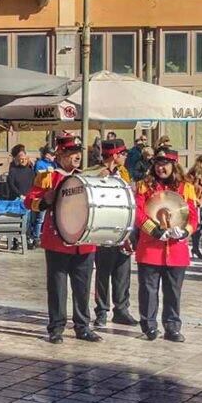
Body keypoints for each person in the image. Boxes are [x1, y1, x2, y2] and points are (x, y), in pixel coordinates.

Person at [25, 133, 103, 344]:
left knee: (82, 286)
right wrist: (43, 201)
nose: (77, 157)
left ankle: (82, 326)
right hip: (57, 240)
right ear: (60, 154)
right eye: (71, 153)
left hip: (83, 241)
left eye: (78, 153)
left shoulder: (86, 177)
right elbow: (29, 202)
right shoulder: (47, 177)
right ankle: (56, 327)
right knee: (57, 287)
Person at [134, 147, 197, 343]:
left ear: (173, 165)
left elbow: (193, 216)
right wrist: (154, 230)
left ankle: (172, 327)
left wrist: (185, 231)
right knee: (148, 290)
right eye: (158, 164)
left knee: (173, 291)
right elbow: (138, 213)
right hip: (151, 247)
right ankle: (149, 326)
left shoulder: (186, 187)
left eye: (165, 164)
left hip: (176, 250)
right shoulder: (144, 186)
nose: (161, 168)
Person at [88, 139, 139, 328]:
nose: (126, 157)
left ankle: (121, 310)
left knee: (122, 272)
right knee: (103, 273)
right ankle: (101, 311)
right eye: (123, 154)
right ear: (115, 155)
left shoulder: (124, 173)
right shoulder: (95, 173)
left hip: (122, 228)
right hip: (103, 228)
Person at [6, 144, 37, 249]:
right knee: (16, 220)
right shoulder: (13, 171)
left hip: (28, 199)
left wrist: (30, 196)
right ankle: (15, 241)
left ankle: (27, 239)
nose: (23, 160)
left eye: (25, 159)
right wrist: (19, 195)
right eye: (21, 159)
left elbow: (34, 185)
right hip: (16, 199)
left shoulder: (31, 172)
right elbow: (11, 184)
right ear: (18, 159)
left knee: (28, 221)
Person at [185, 155, 202, 259]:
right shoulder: (191, 176)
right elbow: (187, 189)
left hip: (198, 205)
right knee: (188, 226)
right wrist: (195, 200)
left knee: (198, 227)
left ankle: (195, 248)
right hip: (189, 203)